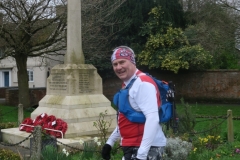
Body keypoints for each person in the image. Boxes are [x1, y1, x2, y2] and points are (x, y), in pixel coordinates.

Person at [101, 46, 166, 160]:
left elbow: (152, 118)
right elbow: (126, 117)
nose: (118, 67)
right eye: (115, 64)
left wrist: (141, 154)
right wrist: (110, 142)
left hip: (146, 147)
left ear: (132, 62)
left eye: (122, 62)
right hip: (133, 145)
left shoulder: (143, 84)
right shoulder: (129, 84)